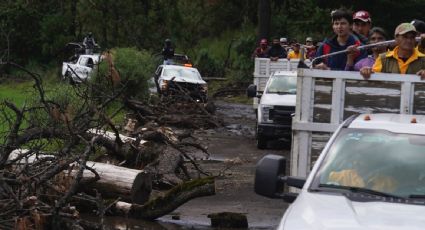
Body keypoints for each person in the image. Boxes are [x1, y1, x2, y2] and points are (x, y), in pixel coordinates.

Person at [360, 23, 425, 80]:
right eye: (405, 37)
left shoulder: (423, 59)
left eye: (412, 37)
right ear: (396, 38)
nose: (409, 40)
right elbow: (374, 79)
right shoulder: (383, 58)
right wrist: (367, 71)